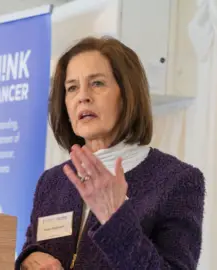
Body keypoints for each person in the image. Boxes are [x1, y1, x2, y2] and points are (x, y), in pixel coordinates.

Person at [15, 36, 205, 270]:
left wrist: (114, 218)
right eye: (72, 87)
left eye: (97, 83)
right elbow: (32, 246)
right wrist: (28, 260)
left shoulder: (176, 181)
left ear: (126, 95)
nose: (82, 96)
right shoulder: (52, 181)